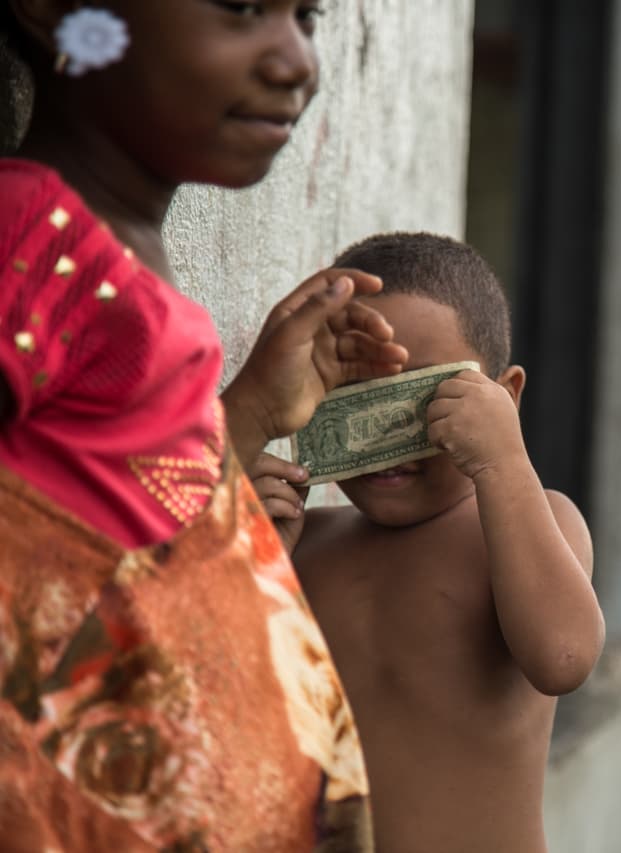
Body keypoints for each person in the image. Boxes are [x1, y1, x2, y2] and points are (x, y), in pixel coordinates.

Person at [0, 2, 411, 849]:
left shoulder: (109, 261)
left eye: (307, 15)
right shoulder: (32, 241)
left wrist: (254, 409)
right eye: (244, 9)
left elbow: (118, 543)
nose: (295, 59)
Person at [250, 232, 607, 853]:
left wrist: (503, 463)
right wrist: (248, 556)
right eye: (355, 396)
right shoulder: (307, 545)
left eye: (426, 397)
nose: (389, 427)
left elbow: (564, 659)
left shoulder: (532, 525)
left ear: (505, 398)